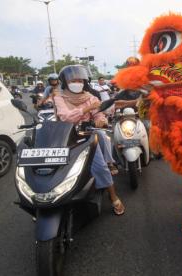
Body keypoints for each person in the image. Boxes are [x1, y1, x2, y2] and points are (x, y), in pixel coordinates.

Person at [53, 65, 124, 215]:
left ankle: (113, 196)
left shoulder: (91, 97)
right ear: (65, 82)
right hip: (65, 136)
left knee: (100, 166)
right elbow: (66, 117)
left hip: (86, 135)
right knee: (56, 167)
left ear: (85, 82)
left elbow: (98, 114)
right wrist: (87, 109)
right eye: (73, 80)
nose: (77, 82)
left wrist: (100, 119)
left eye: (80, 80)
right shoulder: (59, 97)